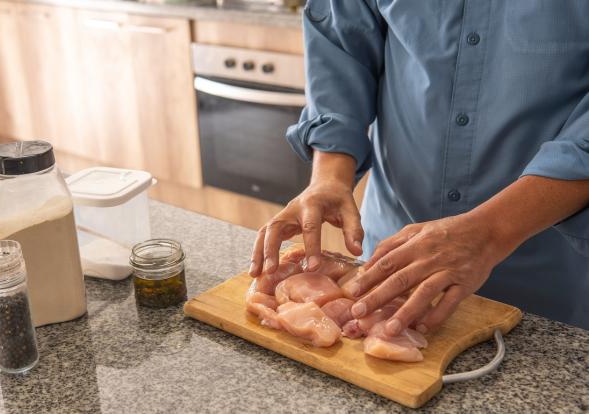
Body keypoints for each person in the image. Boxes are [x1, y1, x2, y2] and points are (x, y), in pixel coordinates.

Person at [249, 1, 589, 332]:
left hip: (549, 286)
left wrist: (493, 231)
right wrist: (330, 177)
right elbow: (341, 44)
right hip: (389, 263)